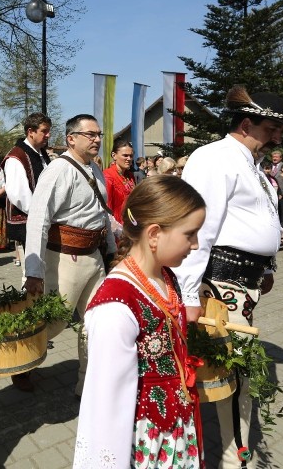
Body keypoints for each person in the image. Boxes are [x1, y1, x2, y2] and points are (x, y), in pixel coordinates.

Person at [173, 85, 283, 469]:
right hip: (220, 282)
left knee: (232, 370)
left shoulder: (251, 163)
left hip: (244, 283)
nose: (278, 135)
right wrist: (189, 294)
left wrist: (269, 266)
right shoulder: (215, 158)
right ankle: (234, 457)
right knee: (235, 371)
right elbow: (198, 231)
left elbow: (260, 221)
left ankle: (227, 450)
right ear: (247, 123)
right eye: (272, 127)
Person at [74, 175, 205, 468]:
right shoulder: (115, 307)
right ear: (155, 234)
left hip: (175, 430)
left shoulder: (164, 275)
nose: (196, 245)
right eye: (190, 234)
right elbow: (105, 409)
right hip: (147, 442)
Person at [23, 114, 117, 395]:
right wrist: (34, 271)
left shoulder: (95, 169)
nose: (97, 140)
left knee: (98, 322)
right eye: (90, 134)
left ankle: (86, 383)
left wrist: (111, 251)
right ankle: (23, 363)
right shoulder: (57, 171)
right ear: (71, 139)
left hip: (94, 258)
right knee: (54, 323)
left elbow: (103, 214)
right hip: (64, 259)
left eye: (99, 134)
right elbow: (38, 219)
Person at [2, 112, 52, 272]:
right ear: (31, 131)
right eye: (44, 131)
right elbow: (20, 196)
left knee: (43, 271)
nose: (48, 135)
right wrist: (44, 215)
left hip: (43, 220)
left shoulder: (41, 154)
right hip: (27, 223)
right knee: (31, 273)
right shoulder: (16, 157)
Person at [103, 139, 135, 227]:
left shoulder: (130, 176)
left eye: (131, 156)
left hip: (130, 224)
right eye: (125, 155)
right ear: (114, 155)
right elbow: (106, 208)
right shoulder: (108, 176)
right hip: (116, 228)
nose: (129, 159)